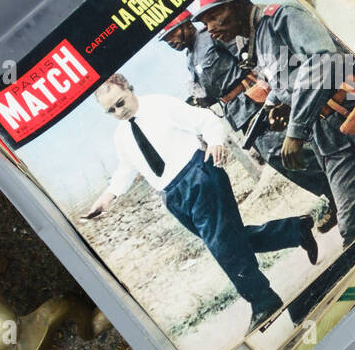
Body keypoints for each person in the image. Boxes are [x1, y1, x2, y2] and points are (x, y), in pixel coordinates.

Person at [84, 73, 317, 334]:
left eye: (120, 102)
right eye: (111, 110)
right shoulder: (121, 136)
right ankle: (295, 230)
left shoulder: (160, 105)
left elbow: (205, 119)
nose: (119, 110)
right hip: (173, 197)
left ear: (128, 88)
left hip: (199, 176)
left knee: (223, 246)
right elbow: (126, 169)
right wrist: (107, 198)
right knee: (229, 240)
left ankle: (263, 301)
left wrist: (216, 142)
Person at [192, 0, 355, 247]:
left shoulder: (283, 17)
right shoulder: (257, 38)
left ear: (237, 5)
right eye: (205, 23)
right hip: (338, 136)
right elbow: (286, 76)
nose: (210, 28)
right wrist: (276, 102)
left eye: (214, 16)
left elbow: (324, 62)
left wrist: (295, 131)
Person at [157, 9, 337, 231]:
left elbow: (251, 58)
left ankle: (337, 191)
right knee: (280, 160)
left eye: (171, 35)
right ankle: (333, 193)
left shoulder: (211, 37)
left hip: (255, 102)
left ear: (184, 24)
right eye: (165, 41)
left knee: (289, 154)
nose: (170, 42)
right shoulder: (190, 58)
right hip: (237, 114)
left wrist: (271, 91)